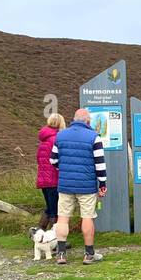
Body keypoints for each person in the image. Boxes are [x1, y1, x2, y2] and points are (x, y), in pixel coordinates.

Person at [49, 108, 107, 265]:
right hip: (87, 186)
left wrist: (65, 169)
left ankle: (61, 255)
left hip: (65, 184)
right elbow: (100, 164)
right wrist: (102, 184)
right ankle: (89, 254)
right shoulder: (94, 137)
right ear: (88, 121)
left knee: (63, 218)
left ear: (73, 119)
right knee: (87, 217)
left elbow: (53, 160)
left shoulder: (60, 136)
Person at [35, 112, 65, 230]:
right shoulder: (56, 139)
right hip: (54, 179)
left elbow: (39, 159)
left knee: (49, 208)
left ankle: (39, 233)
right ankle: (55, 238)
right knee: (55, 211)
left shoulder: (44, 140)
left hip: (43, 180)